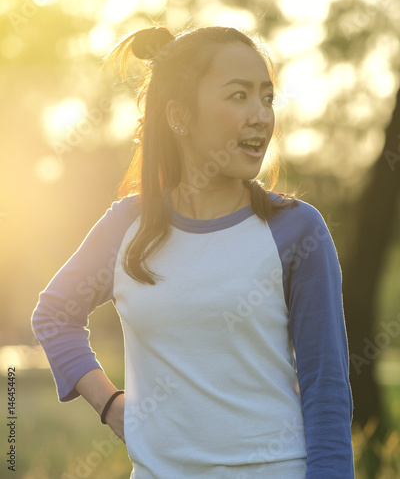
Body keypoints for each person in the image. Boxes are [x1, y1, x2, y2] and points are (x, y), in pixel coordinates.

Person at [32, 25, 354, 479]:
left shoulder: (298, 229)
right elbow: (55, 316)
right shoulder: (126, 226)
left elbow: (326, 389)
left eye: (267, 97)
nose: (261, 116)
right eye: (239, 96)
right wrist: (110, 404)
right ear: (179, 115)